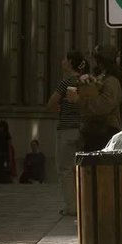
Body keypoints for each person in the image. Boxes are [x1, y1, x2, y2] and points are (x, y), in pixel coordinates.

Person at [47, 49, 90, 216]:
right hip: (82, 129)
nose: (62, 61)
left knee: (65, 169)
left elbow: (51, 103)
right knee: (79, 168)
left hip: (66, 130)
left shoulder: (66, 83)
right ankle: (83, 203)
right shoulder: (85, 81)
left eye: (65, 59)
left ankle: (72, 206)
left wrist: (58, 108)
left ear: (71, 62)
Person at [68, 44, 122, 152]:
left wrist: (80, 100)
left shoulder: (111, 81)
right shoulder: (100, 78)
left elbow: (104, 105)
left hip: (104, 133)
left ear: (101, 61)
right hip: (93, 131)